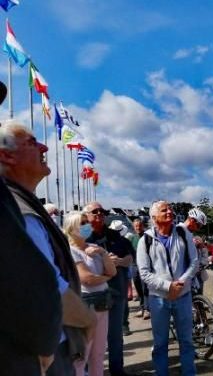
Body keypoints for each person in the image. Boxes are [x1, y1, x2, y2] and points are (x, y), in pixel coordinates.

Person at [0, 122, 97, 375]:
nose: (44, 147)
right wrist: (88, 319)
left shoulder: (21, 206)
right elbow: (45, 288)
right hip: (47, 353)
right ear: (6, 155)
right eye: (32, 142)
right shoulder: (21, 213)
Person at [0, 175, 62, 375]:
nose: (43, 149)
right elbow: (35, 280)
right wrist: (45, 342)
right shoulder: (17, 209)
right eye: (29, 142)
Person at [137, 201, 199, 376]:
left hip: (183, 295)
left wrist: (180, 283)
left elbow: (194, 262)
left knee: (186, 341)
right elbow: (144, 273)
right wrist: (168, 286)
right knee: (160, 344)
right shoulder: (146, 240)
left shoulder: (182, 233)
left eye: (170, 209)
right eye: (164, 210)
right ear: (154, 217)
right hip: (158, 299)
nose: (170, 212)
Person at [84, 202, 135, 376]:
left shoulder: (115, 235)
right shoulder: (81, 238)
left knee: (115, 336)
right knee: (88, 338)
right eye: (95, 211)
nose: (100, 214)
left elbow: (130, 257)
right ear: (86, 215)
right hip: (92, 296)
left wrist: (119, 261)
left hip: (116, 292)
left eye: (102, 211)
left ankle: (117, 370)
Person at [64, 211, 117, 376]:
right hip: (84, 307)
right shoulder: (70, 251)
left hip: (101, 305)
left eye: (87, 222)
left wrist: (101, 252)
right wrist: (105, 277)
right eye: (82, 223)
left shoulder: (93, 248)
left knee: (98, 355)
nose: (87, 226)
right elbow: (86, 278)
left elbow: (113, 271)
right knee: (81, 357)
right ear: (72, 227)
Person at [109, 220, 134, 336]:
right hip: (106, 276)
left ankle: (124, 324)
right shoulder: (104, 241)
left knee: (123, 301)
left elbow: (131, 257)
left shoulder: (125, 242)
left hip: (121, 274)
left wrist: (120, 261)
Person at [131, 219, 150, 319]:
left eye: (139, 226)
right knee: (138, 287)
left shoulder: (147, 237)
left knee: (145, 288)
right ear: (134, 227)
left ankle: (147, 309)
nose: (138, 228)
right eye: (136, 226)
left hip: (145, 266)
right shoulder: (132, 238)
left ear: (143, 226)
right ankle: (141, 307)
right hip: (134, 265)